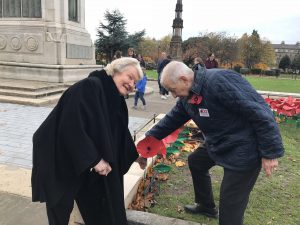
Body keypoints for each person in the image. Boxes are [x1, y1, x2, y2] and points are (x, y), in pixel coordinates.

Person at [138, 61, 284, 225]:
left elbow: (261, 113)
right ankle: (206, 206)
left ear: (184, 79)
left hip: (244, 147)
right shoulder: (188, 96)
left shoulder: (219, 81)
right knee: (196, 162)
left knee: (230, 201)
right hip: (219, 141)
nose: (173, 95)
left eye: (172, 89)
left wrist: (270, 153)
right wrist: (148, 140)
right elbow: (172, 120)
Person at [31, 57, 147, 225]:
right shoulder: (90, 86)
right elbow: (71, 126)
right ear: (116, 70)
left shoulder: (115, 98)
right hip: (60, 157)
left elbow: (119, 132)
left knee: (98, 206)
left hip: (84, 162)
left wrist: (135, 156)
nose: (132, 84)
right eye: (130, 77)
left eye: (135, 82)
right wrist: (94, 159)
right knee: (60, 209)